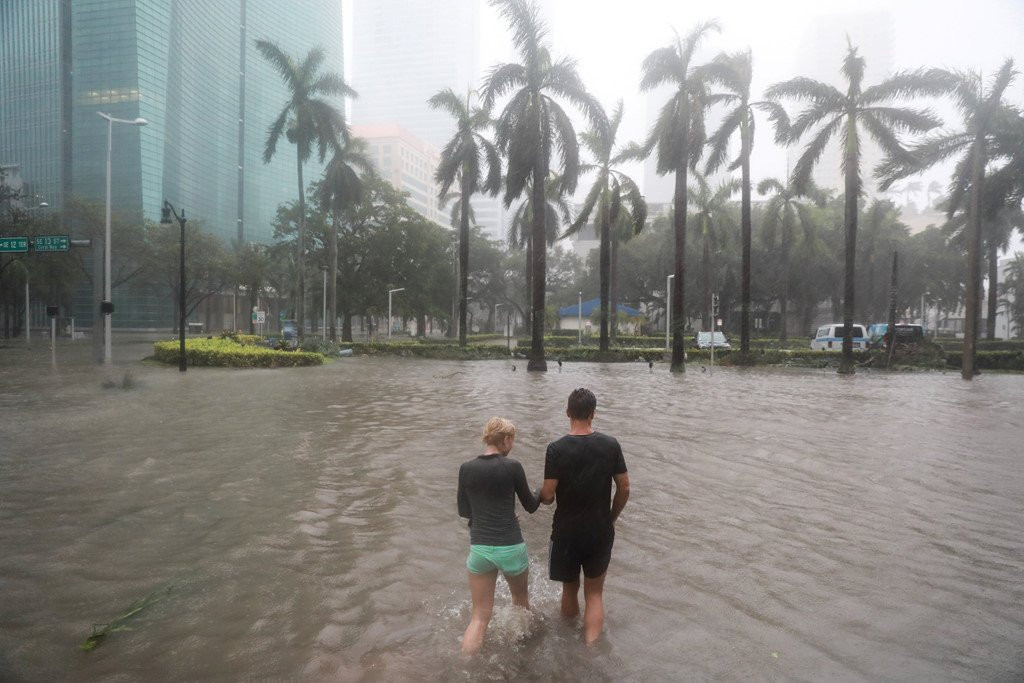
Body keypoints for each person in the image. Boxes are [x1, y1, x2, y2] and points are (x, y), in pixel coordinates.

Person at [539, 388, 630, 645]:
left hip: (566, 531)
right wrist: (610, 518)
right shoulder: (610, 445)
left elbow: (548, 495)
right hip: (599, 530)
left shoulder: (556, 449)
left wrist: (537, 494)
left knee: (569, 590)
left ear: (568, 412)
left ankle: (568, 649)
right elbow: (624, 487)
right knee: (594, 594)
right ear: (593, 413)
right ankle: (591, 650)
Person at [457, 417, 540, 654]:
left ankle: (466, 667)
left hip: (480, 550)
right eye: (512, 440)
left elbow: (464, 511)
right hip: (511, 546)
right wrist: (540, 491)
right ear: (505, 439)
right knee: (521, 603)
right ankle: (522, 654)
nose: (512, 445)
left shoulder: (466, 468)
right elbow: (531, 505)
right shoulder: (512, 466)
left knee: (479, 618)